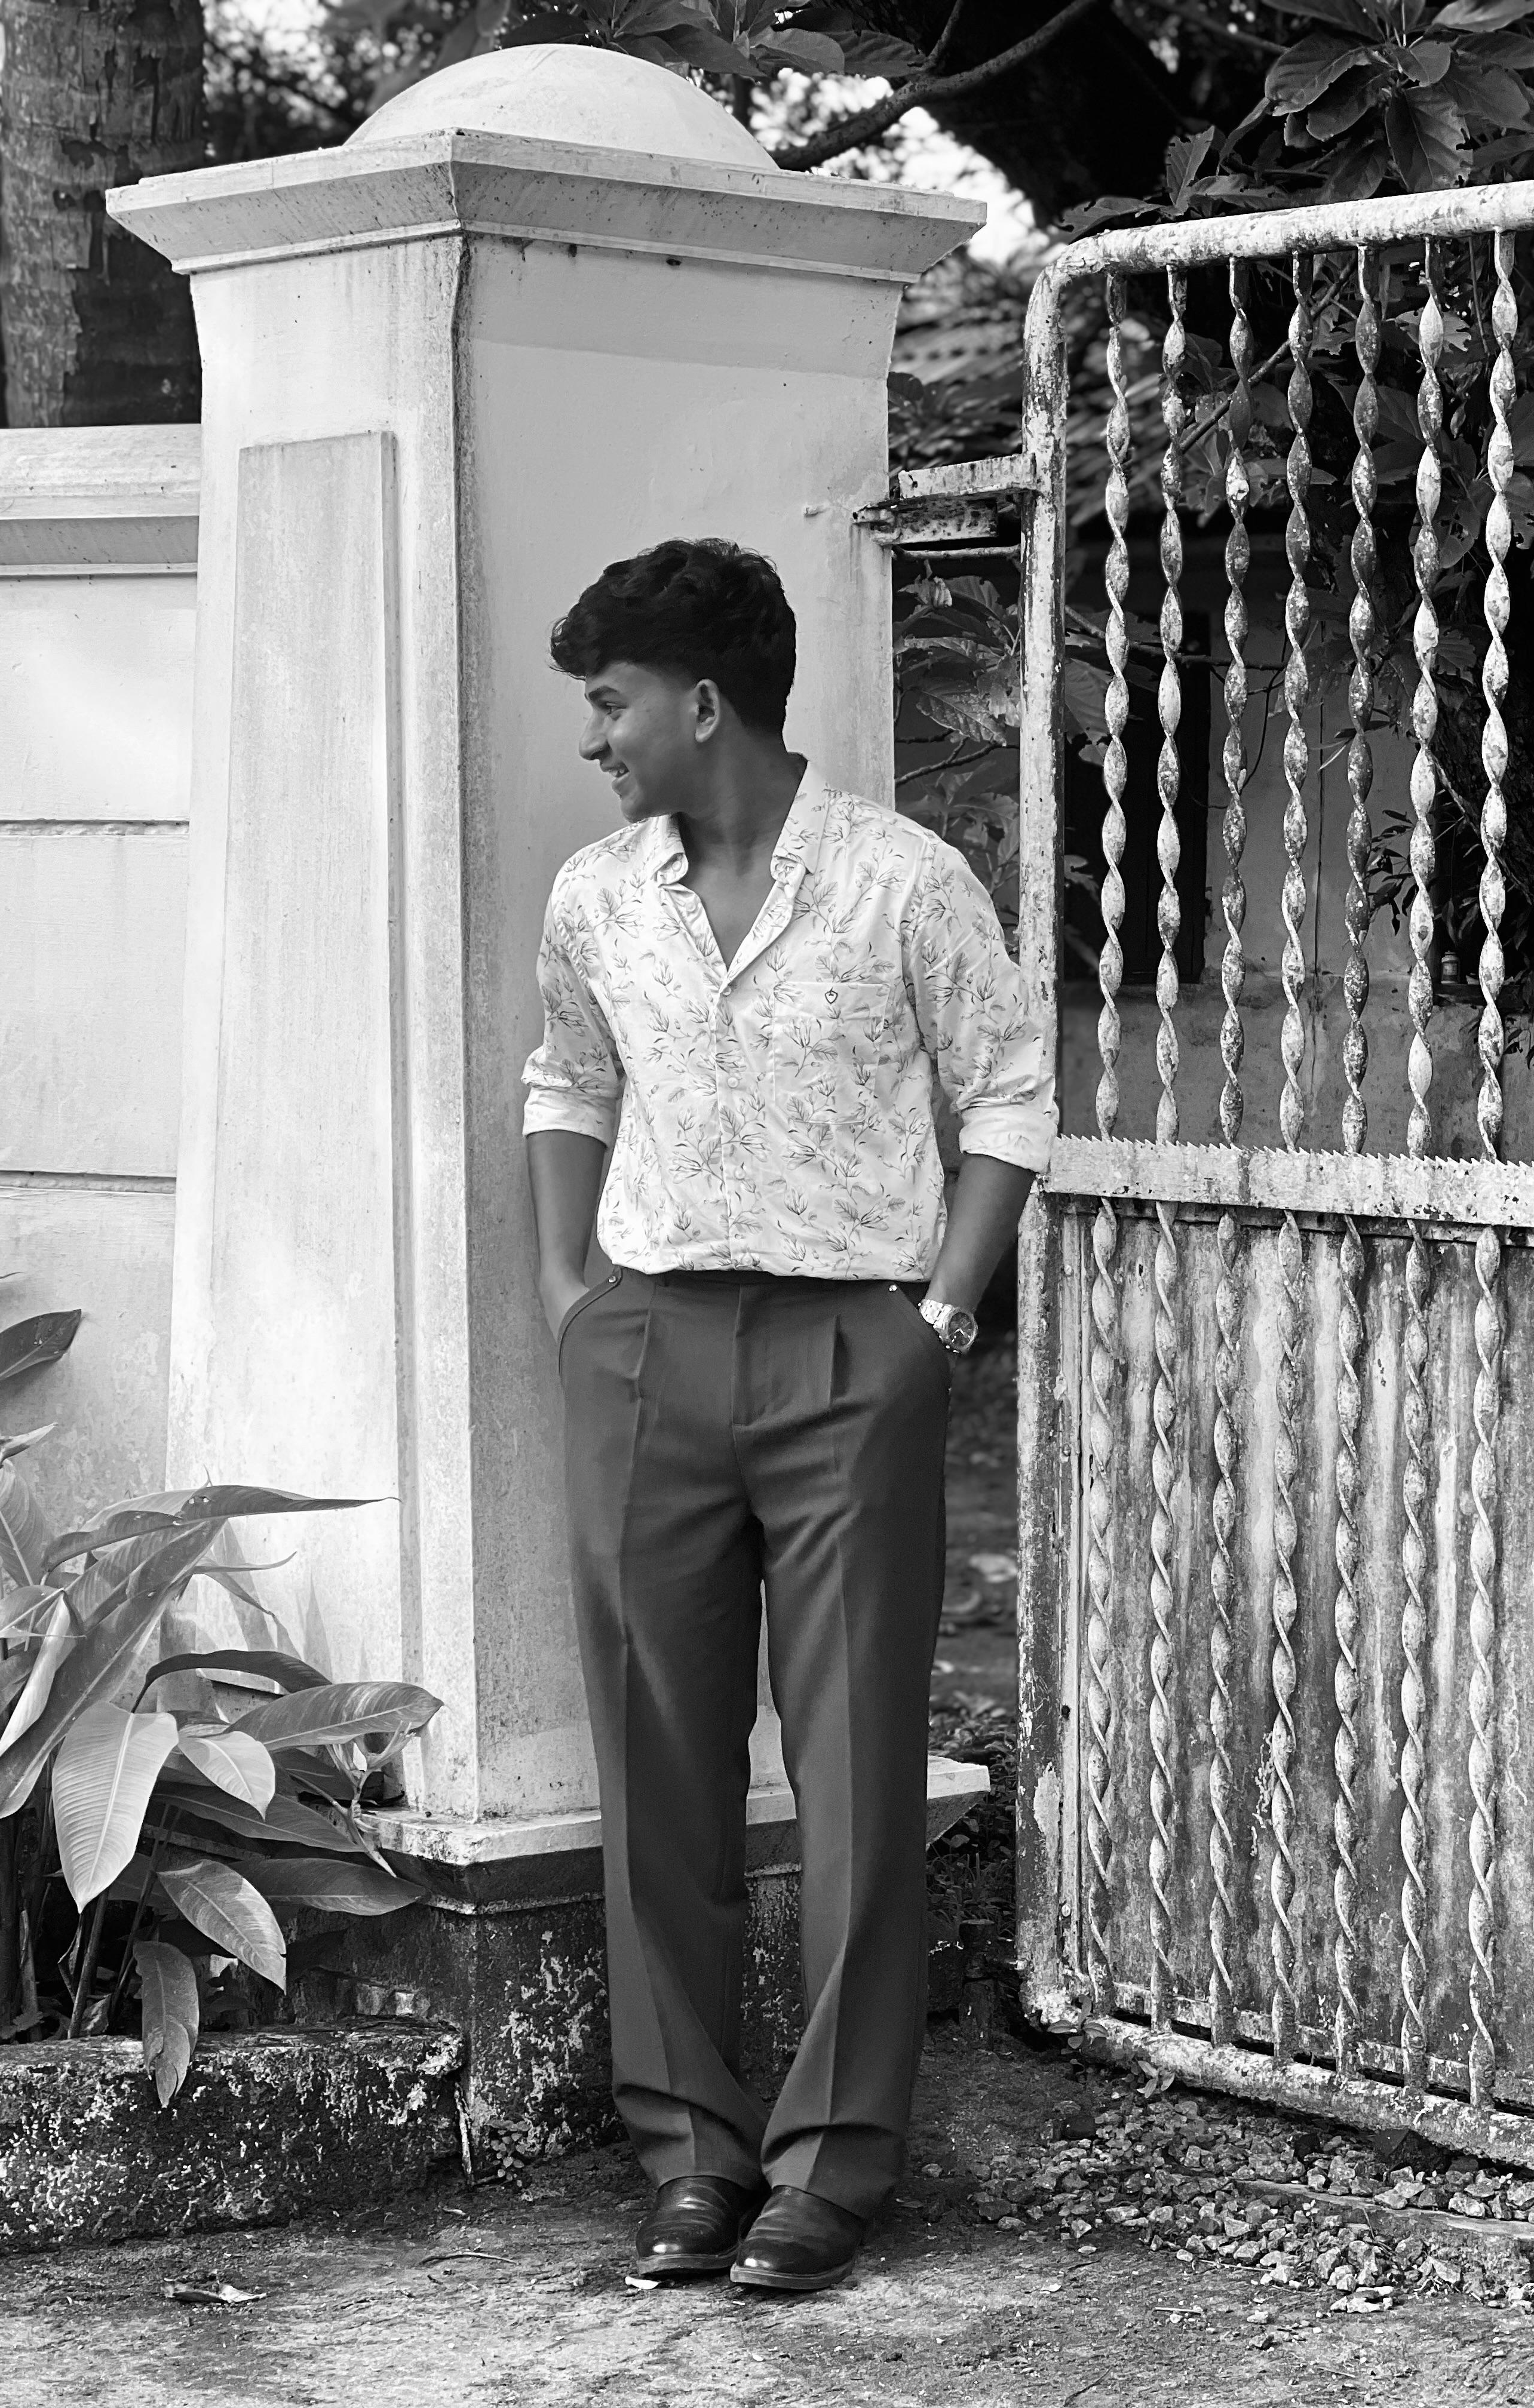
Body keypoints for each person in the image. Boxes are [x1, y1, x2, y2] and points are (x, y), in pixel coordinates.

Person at [521, 537, 1051, 2295]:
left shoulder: (903, 881)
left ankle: (834, 2164)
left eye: (610, 705)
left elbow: (1007, 1095)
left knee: (854, 1769)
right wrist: (567, 1297)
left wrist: (938, 1321)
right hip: (647, 1350)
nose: (594, 740)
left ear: (701, 703)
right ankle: (690, 2151)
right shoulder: (599, 895)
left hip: (849, 1357)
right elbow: (567, 1077)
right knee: (657, 1761)